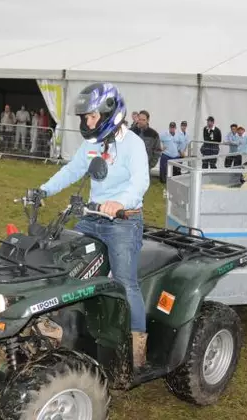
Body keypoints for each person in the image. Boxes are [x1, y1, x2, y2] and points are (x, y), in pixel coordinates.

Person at [37, 82, 151, 368]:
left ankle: (136, 348)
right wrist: (43, 190)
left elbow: (140, 181)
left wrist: (120, 202)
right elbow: (73, 170)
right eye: (84, 118)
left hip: (122, 222)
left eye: (90, 117)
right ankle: (63, 327)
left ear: (108, 113)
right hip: (91, 217)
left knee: (125, 282)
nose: (86, 123)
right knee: (65, 265)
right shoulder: (92, 144)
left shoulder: (132, 145)